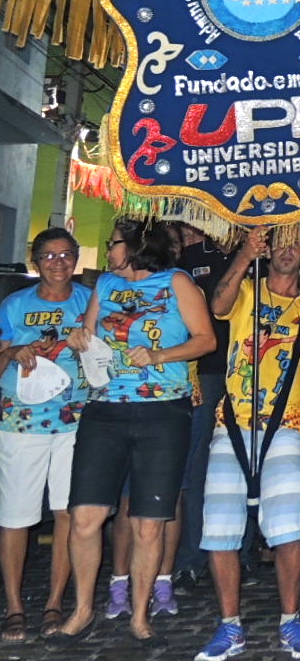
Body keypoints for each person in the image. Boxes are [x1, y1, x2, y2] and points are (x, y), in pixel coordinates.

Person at [54, 219, 215, 644]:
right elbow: (88, 335)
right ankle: (83, 610)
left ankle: (140, 617)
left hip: (163, 411)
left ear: (137, 247)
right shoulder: (105, 285)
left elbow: (206, 340)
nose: (108, 249)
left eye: (113, 243)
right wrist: (79, 339)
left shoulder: (177, 282)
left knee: (148, 524)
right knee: (85, 517)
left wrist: (159, 355)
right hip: (104, 409)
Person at [195, 229, 300, 661]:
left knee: (289, 529)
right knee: (219, 530)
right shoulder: (248, 290)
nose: (288, 250)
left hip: (285, 425)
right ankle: (229, 626)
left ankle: (290, 620)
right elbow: (218, 306)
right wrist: (243, 255)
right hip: (232, 423)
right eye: (281, 241)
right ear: (268, 249)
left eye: (296, 243)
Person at [0, 228, 92, 642]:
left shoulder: (90, 301)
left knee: (68, 513)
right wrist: (11, 353)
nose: (59, 263)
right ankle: (14, 606)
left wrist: (88, 345)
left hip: (77, 420)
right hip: (22, 421)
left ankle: (55, 602)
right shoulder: (14, 305)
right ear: (35, 261)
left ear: (76, 258)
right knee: (16, 515)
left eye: (66, 254)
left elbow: (110, 353)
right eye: (49, 256)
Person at [173, 224, 235, 595]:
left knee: (239, 466)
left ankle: (239, 552)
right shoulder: (187, 259)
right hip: (204, 373)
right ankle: (191, 559)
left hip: (243, 372)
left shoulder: (251, 258)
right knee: (196, 469)